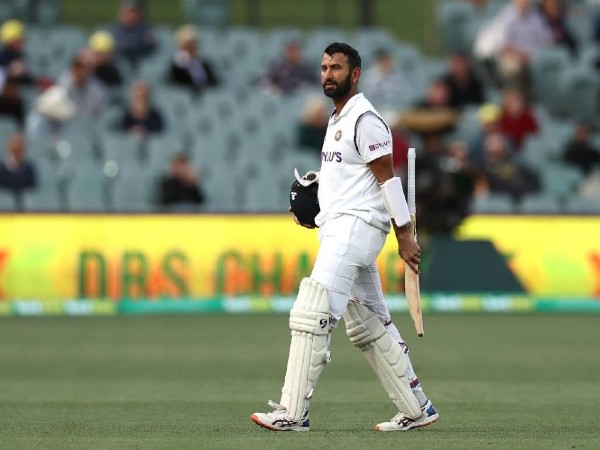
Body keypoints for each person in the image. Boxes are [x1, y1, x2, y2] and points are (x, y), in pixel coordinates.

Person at [251, 43, 438, 432]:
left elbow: (388, 181)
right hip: (340, 227)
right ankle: (418, 407)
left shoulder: (365, 120)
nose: (328, 74)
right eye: (323, 68)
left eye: (336, 68)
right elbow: (349, 179)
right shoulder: (337, 118)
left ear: (355, 74)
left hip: (356, 229)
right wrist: (316, 206)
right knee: (368, 323)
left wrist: (404, 236)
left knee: (312, 312)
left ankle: (293, 412)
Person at [168, 24, 219, 93]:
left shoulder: (204, 64)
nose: (192, 47)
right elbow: (178, 85)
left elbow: (214, 82)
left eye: (194, 43)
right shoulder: (176, 67)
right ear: (181, 45)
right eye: (189, 44)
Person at [110, 1, 157, 70]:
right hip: (120, 67)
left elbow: (149, 47)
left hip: (144, 67)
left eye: (134, 12)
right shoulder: (113, 31)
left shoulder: (147, 30)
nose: (131, 15)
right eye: (128, 12)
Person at [0, 132, 36, 198]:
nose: (17, 150)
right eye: (14, 148)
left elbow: (31, 188)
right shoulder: (2, 168)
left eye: (19, 148)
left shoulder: (29, 168)